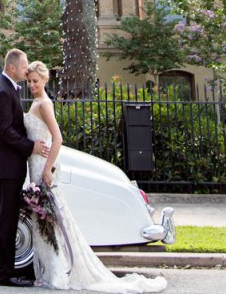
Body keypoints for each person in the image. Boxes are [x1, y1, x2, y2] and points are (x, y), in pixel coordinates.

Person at [24, 60, 167, 292]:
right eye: (29, 81)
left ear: (45, 80)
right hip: (35, 164)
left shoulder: (44, 104)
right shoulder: (36, 102)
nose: (32, 85)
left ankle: (61, 271)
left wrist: (47, 169)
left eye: (35, 81)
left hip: (43, 167)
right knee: (45, 220)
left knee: (53, 220)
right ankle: (51, 270)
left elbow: (57, 138)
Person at [0, 48, 50, 287]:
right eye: (24, 67)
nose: (27, 70)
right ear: (12, 68)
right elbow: (4, 131)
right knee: (6, 221)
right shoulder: (3, 91)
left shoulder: (7, 88)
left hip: (8, 166)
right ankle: (4, 274)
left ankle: (0, 271)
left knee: (6, 219)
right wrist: (30, 146)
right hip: (6, 166)